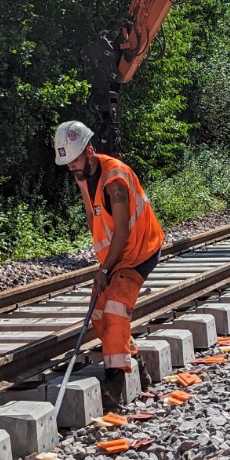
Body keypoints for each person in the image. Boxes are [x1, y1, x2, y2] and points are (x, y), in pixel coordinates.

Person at [54, 120, 164, 375]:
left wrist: (104, 271)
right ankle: (136, 363)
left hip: (139, 250)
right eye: (67, 162)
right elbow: (93, 216)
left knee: (115, 307)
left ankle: (114, 382)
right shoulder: (82, 175)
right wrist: (105, 266)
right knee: (99, 310)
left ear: (89, 152)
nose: (71, 166)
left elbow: (123, 231)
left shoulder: (115, 179)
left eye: (74, 160)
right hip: (116, 257)